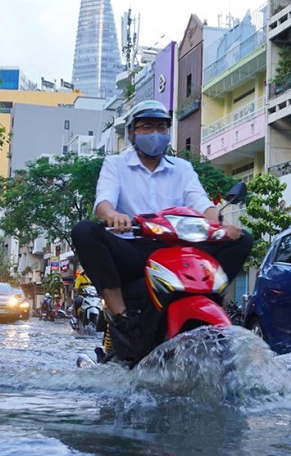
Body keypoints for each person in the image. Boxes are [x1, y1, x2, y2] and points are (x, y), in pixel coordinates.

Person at [70, 99, 252, 361]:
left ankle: (212, 300)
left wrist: (221, 227)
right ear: (132, 132)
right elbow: (104, 201)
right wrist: (113, 216)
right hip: (134, 249)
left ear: (168, 132)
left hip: (181, 248)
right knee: (84, 231)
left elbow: (202, 204)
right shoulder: (116, 164)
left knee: (243, 239)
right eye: (145, 127)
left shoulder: (183, 169)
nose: (154, 133)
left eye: (160, 127)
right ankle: (122, 316)